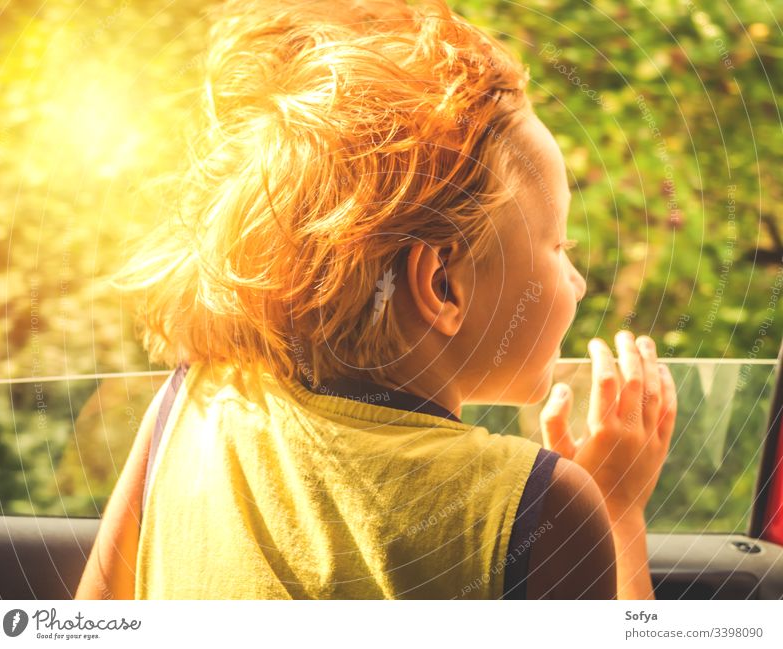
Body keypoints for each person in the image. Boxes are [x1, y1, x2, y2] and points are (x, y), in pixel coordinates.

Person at [75, 0, 677, 600]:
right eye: (560, 246)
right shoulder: (542, 509)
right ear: (442, 286)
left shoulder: (193, 401)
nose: (577, 282)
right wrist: (616, 507)